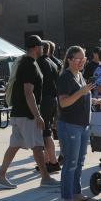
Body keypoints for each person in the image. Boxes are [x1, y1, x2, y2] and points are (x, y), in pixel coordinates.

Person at [0, 35, 56, 191]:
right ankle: (45, 178)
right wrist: (37, 115)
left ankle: (0, 176)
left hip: (18, 113)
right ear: (35, 48)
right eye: (41, 46)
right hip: (27, 114)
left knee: (14, 145)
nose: (43, 49)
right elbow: (29, 92)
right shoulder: (29, 65)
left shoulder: (25, 63)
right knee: (37, 145)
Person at [55, 46, 96, 201]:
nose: (81, 62)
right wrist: (82, 92)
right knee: (70, 163)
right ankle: (67, 199)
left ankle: (77, 194)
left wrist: (94, 100)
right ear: (69, 60)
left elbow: (80, 96)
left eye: (83, 58)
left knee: (79, 161)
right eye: (78, 59)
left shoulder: (79, 75)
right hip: (70, 125)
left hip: (82, 125)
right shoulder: (65, 77)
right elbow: (64, 102)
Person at [37, 41, 62, 173]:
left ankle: (52, 162)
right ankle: (47, 161)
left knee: (45, 132)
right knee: (47, 132)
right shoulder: (53, 62)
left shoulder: (40, 62)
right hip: (53, 99)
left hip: (45, 100)